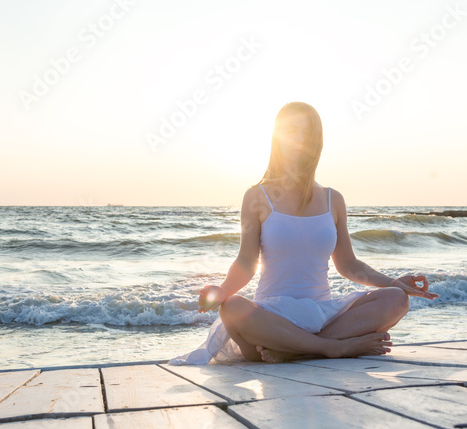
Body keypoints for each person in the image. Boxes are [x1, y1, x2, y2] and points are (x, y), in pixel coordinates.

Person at [168, 102, 439, 366]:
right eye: (290, 131)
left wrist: (392, 281)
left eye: (305, 132)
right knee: (233, 307)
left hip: (323, 314)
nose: (298, 139)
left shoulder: (334, 199)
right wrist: (223, 290)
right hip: (271, 317)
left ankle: (298, 350)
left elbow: (348, 265)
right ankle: (333, 347)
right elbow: (246, 262)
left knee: (396, 299)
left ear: (316, 141)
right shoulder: (257, 197)